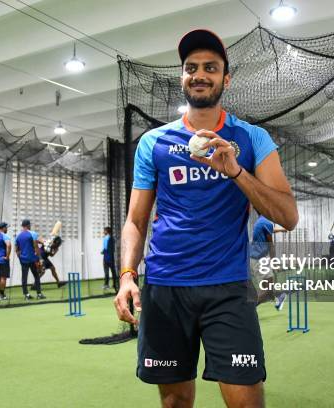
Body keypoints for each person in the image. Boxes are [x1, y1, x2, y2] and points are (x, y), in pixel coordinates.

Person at [113, 29, 298, 408]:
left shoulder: (251, 139)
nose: (200, 74)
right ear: (182, 77)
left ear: (225, 79)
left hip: (228, 289)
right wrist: (127, 276)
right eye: (191, 67)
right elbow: (135, 221)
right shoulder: (154, 143)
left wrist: (235, 170)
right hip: (165, 288)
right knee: (175, 402)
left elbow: (287, 216)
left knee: (247, 402)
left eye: (210, 68)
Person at [250, 214, 287, 310]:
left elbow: (269, 231)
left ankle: (280, 296)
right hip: (259, 259)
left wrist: (281, 230)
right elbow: (271, 246)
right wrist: (274, 263)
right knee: (266, 290)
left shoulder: (262, 222)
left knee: (269, 287)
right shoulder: (265, 222)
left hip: (257, 258)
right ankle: (249, 310)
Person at [15, 219, 45, 300]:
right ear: (28, 225)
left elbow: (16, 250)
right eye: (30, 225)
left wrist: (20, 258)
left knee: (24, 277)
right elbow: (36, 247)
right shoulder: (33, 234)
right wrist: (40, 258)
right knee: (36, 276)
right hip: (32, 260)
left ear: (22, 226)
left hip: (23, 260)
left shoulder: (18, 236)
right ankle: (39, 294)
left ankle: (26, 295)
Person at [101, 227, 117, 291]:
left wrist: (103, 252)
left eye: (104, 230)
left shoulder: (105, 238)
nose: (103, 232)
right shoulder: (113, 238)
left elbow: (105, 248)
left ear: (107, 231)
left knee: (106, 272)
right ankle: (115, 284)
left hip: (106, 258)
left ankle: (106, 285)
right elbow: (113, 249)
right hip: (112, 258)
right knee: (113, 272)